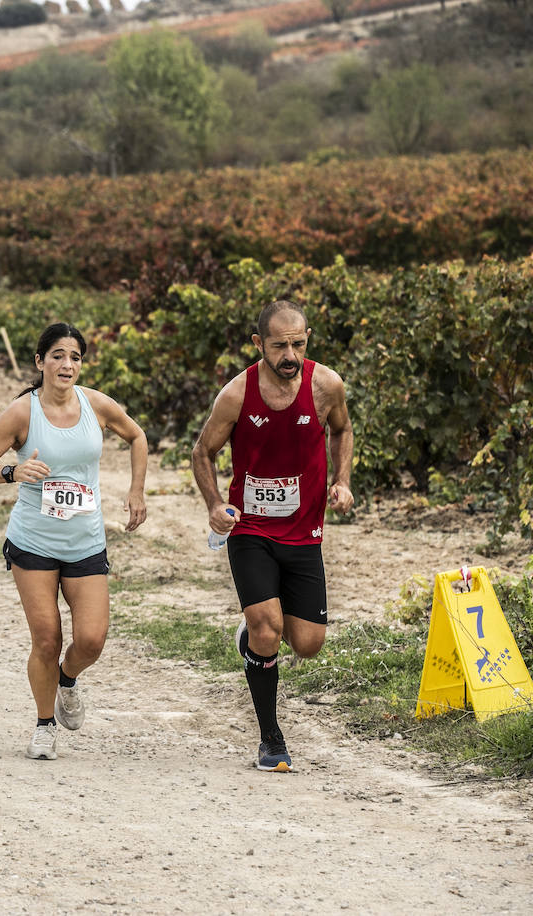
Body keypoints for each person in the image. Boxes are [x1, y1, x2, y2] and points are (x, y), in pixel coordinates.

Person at [0, 323, 148, 760]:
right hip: (34, 542)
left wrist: (136, 491)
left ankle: (68, 678)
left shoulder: (96, 405)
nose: (67, 365)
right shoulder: (22, 412)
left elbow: (137, 436)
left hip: (85, 541)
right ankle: (44, 724)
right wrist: (13, 471)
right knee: (46, 637)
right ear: (40, 362)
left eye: (76, 357)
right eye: (58, 356)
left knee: (91, 640)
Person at [191, 299, 354, 773]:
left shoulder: (326, 385)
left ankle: (252, 636)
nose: (290, 354)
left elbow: (342, 431)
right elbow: (203, 452)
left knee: (307, 643)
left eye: (298, 344)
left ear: (308, 339)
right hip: (252, 528)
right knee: (269, 630)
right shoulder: (237, 394)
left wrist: (341, 481)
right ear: (259, 344)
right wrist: (214, 505)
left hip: (304, 532)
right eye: (279, 345)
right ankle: (270, 739)